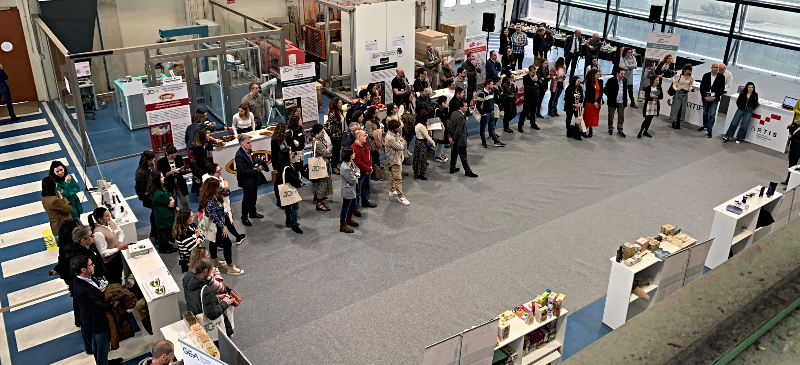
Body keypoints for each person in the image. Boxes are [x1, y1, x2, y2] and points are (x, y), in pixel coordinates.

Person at [72, 254, 122, 365]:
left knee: (97, 348)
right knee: (102, 349)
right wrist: (113, 304)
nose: (93, 265)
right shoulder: (83, 290)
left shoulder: (79, 280)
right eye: (90, 265)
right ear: (83, 269)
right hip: (98, 323)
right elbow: (98, 307)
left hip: (91, 320)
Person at [200, 179, 245, 273]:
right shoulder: (211, 202)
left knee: (213, 241)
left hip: (216, 226)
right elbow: (213, 217)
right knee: (227, 244)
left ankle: (214, 261)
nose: (219, 188)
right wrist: (222, 227)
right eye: (218, 186)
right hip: (217, 226)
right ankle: (230, 267)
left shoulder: (210, 197)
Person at [183, 257, 234, 336]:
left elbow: (198, 299)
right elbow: (212, 314)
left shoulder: (187, 278)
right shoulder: (206, 289)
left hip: (194, 315)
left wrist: (215, 298)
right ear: (205, 271)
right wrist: (225, 303)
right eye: (210, 270)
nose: (211, 273)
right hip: (208, 326)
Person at [50, 219, 85, 327]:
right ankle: (80, 320)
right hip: (74, 277)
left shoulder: (63, 245)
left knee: (76, 299)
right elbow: (64, 262)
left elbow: (61, 261)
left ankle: (78, 320)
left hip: (70, 278)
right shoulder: (72, 247)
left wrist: (57, 269)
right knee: (79, 300)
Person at [202, 162, 245, 244]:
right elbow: (225, 192)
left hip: (221, 206)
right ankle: (235, 238)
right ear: (212, 173)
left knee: (223, 224)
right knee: (224, 223)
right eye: (218, 172)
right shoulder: (213, 183)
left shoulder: (209, 178)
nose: (220, 172)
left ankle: (233, 237)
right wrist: (226, 186)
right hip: (220, 207)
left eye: (220, 170)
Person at [88, 207, 127, 285]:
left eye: (108, 214)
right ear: (100, 219)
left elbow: (120, 232)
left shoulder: (110, 222)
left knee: (119, 275)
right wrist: (118, 248)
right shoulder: (98, 233)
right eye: (106, 215)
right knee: (114, 280)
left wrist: (120, 241)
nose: (109, 216)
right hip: (110, 262)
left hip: (117, 255)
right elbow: (103, 253)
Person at [235, 134, 266, 226]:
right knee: (247, 199)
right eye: (248, 143)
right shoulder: (239, 156)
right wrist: (256, 170)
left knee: (254, 197)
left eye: (250, 142)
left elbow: (253, 159)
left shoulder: (249, 151)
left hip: (253, 179)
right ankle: (244, 218)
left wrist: (256, 164)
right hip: (246, 180)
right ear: (242, 145)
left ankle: (252, 213)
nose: (251, 144)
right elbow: (243, 171)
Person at [146, 171, 177, 253]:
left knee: (163, 232)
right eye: (161, 177)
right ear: (157, 180)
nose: (163, 178)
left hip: (160, 215)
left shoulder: (157, 189)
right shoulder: (159, 194)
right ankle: (165, 248)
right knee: (164, 233)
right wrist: (173, 202)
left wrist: (172, 199)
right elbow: (169, 202)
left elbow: (168, 194)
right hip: (164, 216)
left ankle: (166, 245)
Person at [273, 152, 304, 234]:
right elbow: (294, 181)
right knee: (295, 206)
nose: (293, 154)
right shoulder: (288, 169)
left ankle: (288, 220)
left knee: (287, 205)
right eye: (290, 154)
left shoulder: (282, 166)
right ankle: (295, 224)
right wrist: (299, 184)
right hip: (290, 189)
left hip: (284, 190)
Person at [449, 100, 477, 178]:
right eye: (465, 106)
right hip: (460, 140)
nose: (467, 107)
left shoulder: (453, 113)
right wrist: (454, 139)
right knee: (463, 156)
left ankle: (452, 168)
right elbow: (458, 130)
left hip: (453, 139)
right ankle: (468, 171)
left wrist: (450, 137)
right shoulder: (461, 117)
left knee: (454, 154)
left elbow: (450, 126)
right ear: (461, 107)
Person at [156, 145, 190, 209]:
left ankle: (188, 216)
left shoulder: (179, 158)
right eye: (172, 156)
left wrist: (182, 170)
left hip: (180, 184)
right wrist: (169, 173)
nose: (174, 157)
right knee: (173, 204)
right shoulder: (161, 162)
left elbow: (183, 171)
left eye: (175, 155)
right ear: (167, 154)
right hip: (169, 185)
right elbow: (160, 176)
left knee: (185, 202)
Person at [310, 124, 333, 211]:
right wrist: (329, 148)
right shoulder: (318, 143)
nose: (324, 133)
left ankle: (318, 195)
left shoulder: (319, 139)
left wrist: (328, 148)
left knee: (320, 182)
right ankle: (319, 202)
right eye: (322, 132)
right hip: (322, 165)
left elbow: (328, 148)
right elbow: (327, 153)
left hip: (323, 164)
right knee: (322, 182)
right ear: (317, 133)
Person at [352, 130, 376, 212]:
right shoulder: (354, 148)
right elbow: (358, 163)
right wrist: (368, 169)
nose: (366, 137)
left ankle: (365, 202)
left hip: (367, 171)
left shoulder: (365, 144)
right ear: (358, 137)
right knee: (357, 191)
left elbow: (369, 155)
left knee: (366, 187)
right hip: (360, 173)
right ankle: (355, 208)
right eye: (364, 136)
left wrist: (370, 167)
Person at [699, 63, 726, 138]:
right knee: (705, 112)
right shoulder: (706, 75)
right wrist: (704, 96)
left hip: (714, 98)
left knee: (712, 114)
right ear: (711, 68)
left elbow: (721, 89)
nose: (716, 69)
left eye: (717, 68)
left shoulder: (722, 77)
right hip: (706, 97)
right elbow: (702, 87)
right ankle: (705, 125)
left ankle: (709, 129)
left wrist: (716, 96)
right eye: (714, 67)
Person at [476, 78, 504, 148]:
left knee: (492, 127)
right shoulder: (482, 94)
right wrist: (483, 113)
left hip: (491, 113)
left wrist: (493, 110)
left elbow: (492, 101)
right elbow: (478, 105)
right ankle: (484, 142)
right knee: (483, 128)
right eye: (492, 84)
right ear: (487, 85)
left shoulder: (492, 91)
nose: (493, 85)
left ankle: (495, 141)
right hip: (485, 113)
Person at [173, 208, 203, 272]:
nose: (194, 217)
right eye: (191, 216)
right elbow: (193, 247)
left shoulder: (192, 225)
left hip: (195, 254)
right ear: (185, 219)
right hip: (189, 258)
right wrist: (197, 239)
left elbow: (202, 236)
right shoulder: (182, 233)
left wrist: (198, 240)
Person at [338, 147, 360, 232]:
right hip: (348, 189)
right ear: (349, 155)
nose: (354, 154)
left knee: (353, 204)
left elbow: (358, 169)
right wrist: (356, 174)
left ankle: (349, 219)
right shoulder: (345, 167)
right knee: (345, 207)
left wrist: (356, 174)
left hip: (352, 188)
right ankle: (342, 225)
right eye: (353, 153)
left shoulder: (351, 162)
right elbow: (353, 179)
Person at [603, 67, 630, 137]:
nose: (623, 75)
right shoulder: (611, 80)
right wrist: (610, 97)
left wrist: (625, 100)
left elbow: (625, 91)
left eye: (623, 74)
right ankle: (610, 128)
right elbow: (605, 89)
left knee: (621, 116)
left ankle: (620, 130)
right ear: (617, 73)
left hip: (621, 101)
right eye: (621, 74)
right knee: (611, 116)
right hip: (613, 101)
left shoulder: (624, 80)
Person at [135, 151, 157, 235]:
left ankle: (155, 230)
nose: (154, 159)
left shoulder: (151, 166)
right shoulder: (141, 172)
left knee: (155, 212)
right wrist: (143, 196)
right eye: (153, 158)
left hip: (154, 193)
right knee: (155, 211)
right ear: (148, 160)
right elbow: (139, 186)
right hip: (149, 196)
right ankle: (154, 231)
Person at [412, 109, 436, 180]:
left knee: (418, 158)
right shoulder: (421, 126)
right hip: (422, 143)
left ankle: (417, 171)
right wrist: (433, 143)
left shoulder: (417, 124)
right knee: (422, 158)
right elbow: (427, 136)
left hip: (418, 142)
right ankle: (420, 173)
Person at [669, 64, 695, 129]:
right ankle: (673, 121)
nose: (688, 72)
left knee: (682, 109)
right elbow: (674, 85)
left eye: (689, 71)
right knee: (675, 109)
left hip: (685, 94)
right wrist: (677, 89)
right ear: (684, 70)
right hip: (678, 93)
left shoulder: (691, 77)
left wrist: (690, 89)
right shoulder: (678, 76)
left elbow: (690, 85)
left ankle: (679, 122)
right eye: (687, 71)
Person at [639, 74, 664, 139]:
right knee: (646, 119)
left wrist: (655, 97)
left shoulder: (659, 88)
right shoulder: (648, 88)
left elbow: (661, 96)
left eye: (658, 80)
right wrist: (654, 98)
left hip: (655, 105)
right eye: (656, 80)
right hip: (649, 105)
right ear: (652, 81)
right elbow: (647, 97)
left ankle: (646, 131)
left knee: (650, 119)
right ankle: (640, 131)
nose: (657, 81)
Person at [518, 65, 541, 132]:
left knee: (533, 111)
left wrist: (537, 82)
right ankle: (520, 125)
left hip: (535, 96)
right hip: (528, 98)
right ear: (530, 72)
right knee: (525, 112)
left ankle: (533, 123)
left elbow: (541, 85)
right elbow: (527, 88)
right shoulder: (526, 78)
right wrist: (535, 84)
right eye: (533, 72)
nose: (535, 73)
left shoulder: (538, 76)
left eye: (535, 72)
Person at [326, 98, 345, 174]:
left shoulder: (339, 111)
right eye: (339, 103)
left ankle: (337, 164)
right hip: (335, 136)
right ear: (336, 104)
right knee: (335, 152)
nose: (341, 105)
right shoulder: (332, 114)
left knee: (338, 150)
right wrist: (331, 134)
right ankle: (333, 166)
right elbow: (326, 126)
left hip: (340, 134)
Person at [583, 69, 603, 138]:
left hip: (597, 103)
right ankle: (584, 130)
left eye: (599, 74)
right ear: (593, 75)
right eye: (597, 74)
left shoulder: (600, 82)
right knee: (588, 117)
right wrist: (593, 102)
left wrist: (597, 102)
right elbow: (588, 94)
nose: (598, 76)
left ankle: (590, 130)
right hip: (590, 102)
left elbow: (601, 93)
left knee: (594, 117)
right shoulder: (588, 82)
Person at [433, 96, 451, 162]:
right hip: (440, 129)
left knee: (442, 143)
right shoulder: (438, 110)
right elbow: (444, 118)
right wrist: (446, 110)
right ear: (442, 103)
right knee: (440, 143)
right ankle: (438, 156)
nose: (446, 104)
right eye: (445, 102)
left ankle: (440, 154)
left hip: (443, 128)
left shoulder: (441, 109)